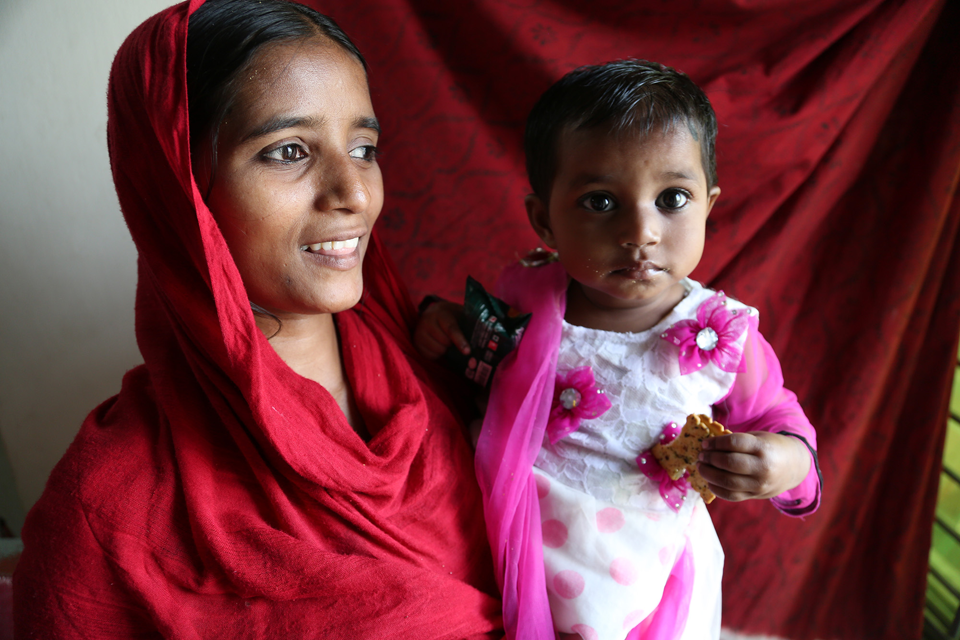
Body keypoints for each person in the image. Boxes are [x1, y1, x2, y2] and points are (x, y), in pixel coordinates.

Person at [12, 0, 503, 637]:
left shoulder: (445, 371)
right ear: (179, 186)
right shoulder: (110, 515)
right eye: (287, 151)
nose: (354, 193)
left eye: (364, 147)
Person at [415, 60, 822, 640]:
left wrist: (787, 464)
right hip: (511, 539)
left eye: (672, 198)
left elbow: (778, 418)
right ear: (545, 221)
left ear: (708, 205)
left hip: (642, 572)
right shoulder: (526, 294)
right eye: (601, 202)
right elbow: (480, 360)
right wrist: (441, 322)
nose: (641, 231)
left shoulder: (722, 334)